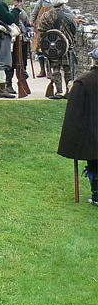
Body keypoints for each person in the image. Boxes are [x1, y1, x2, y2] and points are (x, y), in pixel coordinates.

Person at [57, 48, 98, 205]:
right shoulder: (83, 82)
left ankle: (97, 194)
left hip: (92, 133)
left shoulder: (83, 82)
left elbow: (74, 114)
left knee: (95, 162)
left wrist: (74, 138)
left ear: (93, 61)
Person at [37, 0, 77, 99]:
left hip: (52, 47)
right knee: (68, 69)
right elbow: (74, 30)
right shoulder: (69, 16)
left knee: (55, 68)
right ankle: (69, 91)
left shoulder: (45, 16)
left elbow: (41, 31)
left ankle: (58, 92)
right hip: (66, 46)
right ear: (63, 4)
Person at [6, 0, 31, 94]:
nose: (19, 3)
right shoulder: (9, 11)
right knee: (11, 64)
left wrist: (29, 33)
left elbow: (27, 25)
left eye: (20, 1)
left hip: (22, 40)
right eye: (17, 1)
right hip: (12, 41)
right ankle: (8, 85)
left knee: (22, 63)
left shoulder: (24, 13)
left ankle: (22, 83)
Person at [30, 0, 56, 78]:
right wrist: (32, 22)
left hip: (51, 29)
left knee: (50, 49)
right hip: (40, 29)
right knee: (40, 50)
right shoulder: (40, 3)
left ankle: (49, 70)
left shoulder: (55, 3)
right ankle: (42, 70)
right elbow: (34, 13)